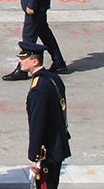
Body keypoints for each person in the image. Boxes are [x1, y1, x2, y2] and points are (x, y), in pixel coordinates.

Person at [18, 41, 71, 189]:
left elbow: (37, 124)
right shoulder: (53, 78)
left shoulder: (38, 89)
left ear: (34, 61)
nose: (20, 61)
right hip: (58, 144)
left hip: (47, 150)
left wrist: (34, 157)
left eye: (23, 58)